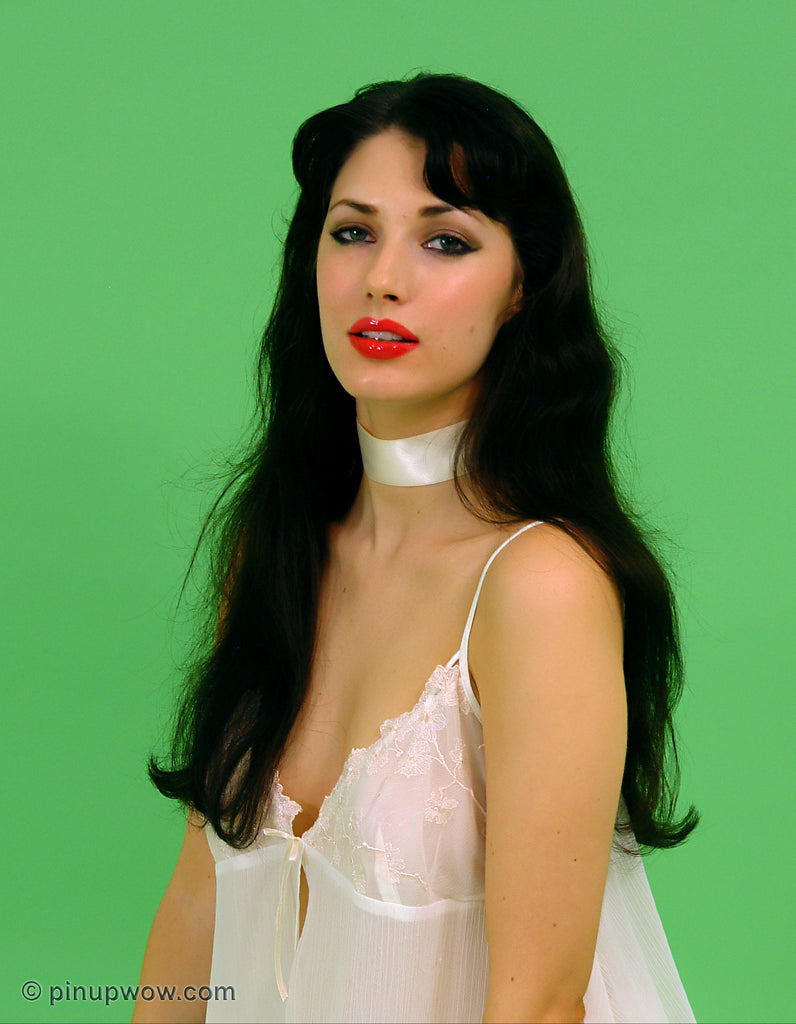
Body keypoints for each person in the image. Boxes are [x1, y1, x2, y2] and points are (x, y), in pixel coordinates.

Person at [133, 73, 698, 1024]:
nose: (382, 278)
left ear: (522, 286)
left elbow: (539, 1001)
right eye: (353, 231)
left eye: (446, 240)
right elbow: (199, 905)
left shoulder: (540, 587)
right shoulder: (276, 550)